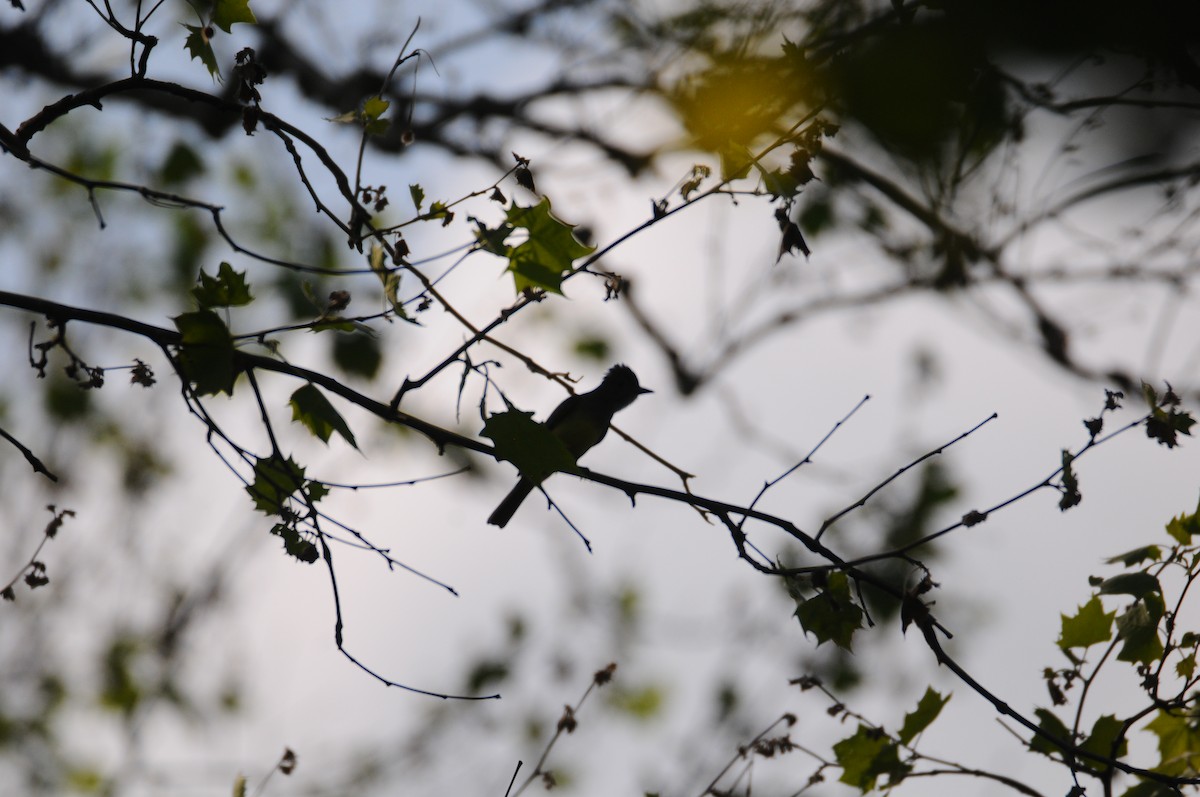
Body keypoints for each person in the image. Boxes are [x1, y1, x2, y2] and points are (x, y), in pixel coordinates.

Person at [487, 365, 652, 527]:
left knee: (522, 490)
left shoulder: (603, 425)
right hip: (539, 456)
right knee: (524, 487)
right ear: (616, 387)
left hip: (554, 463)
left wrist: (574, 467)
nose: (629, 394)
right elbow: (546, 433)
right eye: (625, 387)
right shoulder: (577, 402)